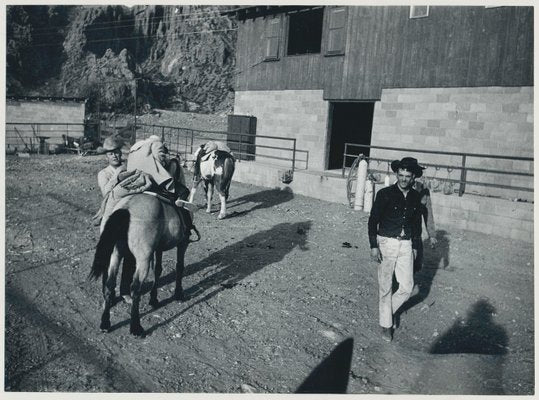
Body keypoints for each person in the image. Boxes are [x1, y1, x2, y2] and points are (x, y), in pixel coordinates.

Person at [368, 157, 424, 342]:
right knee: (385, 286)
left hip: (406, 243)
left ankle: (386, 314)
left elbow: (416, 225)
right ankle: (386, 326)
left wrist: (415, 247)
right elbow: (372, 221)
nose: (403, 179)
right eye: (400, 175)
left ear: (413, 177)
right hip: (386, 242)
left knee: (407, 287)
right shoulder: (384, 194)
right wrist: (374, 246)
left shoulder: (416, 197)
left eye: (408, 176)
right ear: (396, 174)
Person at [95, 135, 135, 304]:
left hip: (129, 215)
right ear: (106, 156)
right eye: (111, 154)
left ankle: (125, 290)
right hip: (111, 216)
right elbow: (106, 192)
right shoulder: (103, 173)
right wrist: (119, 174)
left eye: (117, 152)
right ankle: (108, 293)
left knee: (130, 255)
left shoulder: (129, 169)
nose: (115, 156)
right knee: (110, 256)